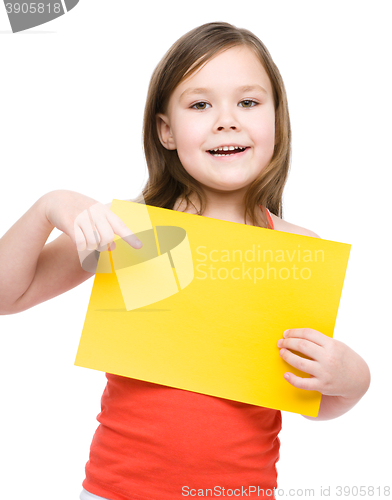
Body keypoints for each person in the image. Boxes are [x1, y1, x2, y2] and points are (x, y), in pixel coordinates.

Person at [0, 21, 370, 500]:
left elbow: (307, 398)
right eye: (200, 104)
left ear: (277, 119)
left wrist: (353, 380)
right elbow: (7, 296)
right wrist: (51, 206)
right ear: (166, 131)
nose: (226, 119)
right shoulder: (126, 233)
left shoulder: (297, 248)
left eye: (249, 102)